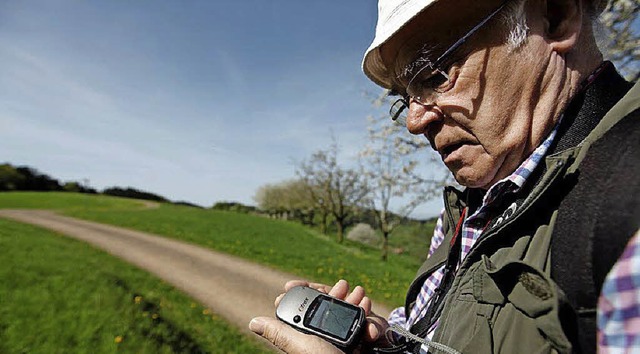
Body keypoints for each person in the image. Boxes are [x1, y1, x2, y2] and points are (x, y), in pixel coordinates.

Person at [249, 0, 640, 352]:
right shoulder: (473, 203)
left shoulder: (627, 205)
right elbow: (435, 330)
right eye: (405, 98)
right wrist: (385, 343)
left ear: (555, 17)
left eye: (436, 76)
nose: (414, 123)